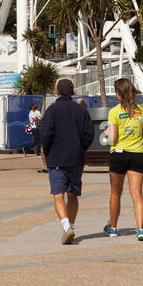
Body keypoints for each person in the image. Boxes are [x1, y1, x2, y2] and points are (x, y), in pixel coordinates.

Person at [39, 78, 93, 244]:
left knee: (58, 195)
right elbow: (89, 134)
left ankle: (66, 227)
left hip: (56, 158)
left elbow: (46, 135)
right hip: (76, 158)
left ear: (56, 91)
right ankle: (72, 226)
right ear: (72, 92)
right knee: (73, 194)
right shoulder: (81, 111)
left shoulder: (51, 110)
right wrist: (81, 147)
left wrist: (46, 151)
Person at [104, 78, 143, 240]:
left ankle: (113, 228)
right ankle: (140, 229)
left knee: (115, 193)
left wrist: (106, 134)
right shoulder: (142, 110)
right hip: (137, 154)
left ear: (118, 94)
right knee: (137, 194)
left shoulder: (114, 111)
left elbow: (113, 138)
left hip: (119, 154)